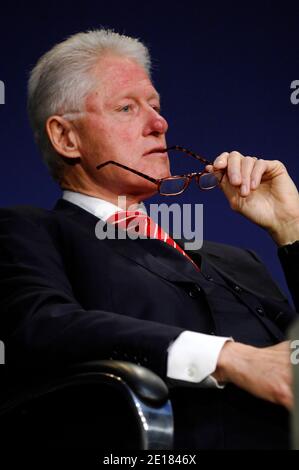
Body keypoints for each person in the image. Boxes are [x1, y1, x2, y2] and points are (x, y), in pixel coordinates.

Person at [0, 29, 299, 449]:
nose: (160, 124)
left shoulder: (239, 260)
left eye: (156, 107)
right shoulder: (29, 234)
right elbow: (43, 328)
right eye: (126, 108)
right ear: (66, 138)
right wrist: (229, 357)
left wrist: (291, 228)